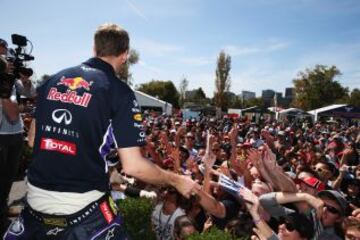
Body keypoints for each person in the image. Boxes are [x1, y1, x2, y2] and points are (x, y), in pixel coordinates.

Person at [3, 23, 196, 240]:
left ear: (94, 49)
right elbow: (134, 166)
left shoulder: (53, 80)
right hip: (82, 213)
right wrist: (177, 181)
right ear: (125, 55)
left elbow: (32, 140)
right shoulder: (119, 92)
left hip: (33, 208)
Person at [0, 49, 34, 235]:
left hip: (14, 132)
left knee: (9, 177)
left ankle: (3, 209)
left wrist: (25, 79)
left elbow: (30, 92)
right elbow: (13, 112)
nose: (9, 63)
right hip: (2, 132)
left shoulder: (12, 80)